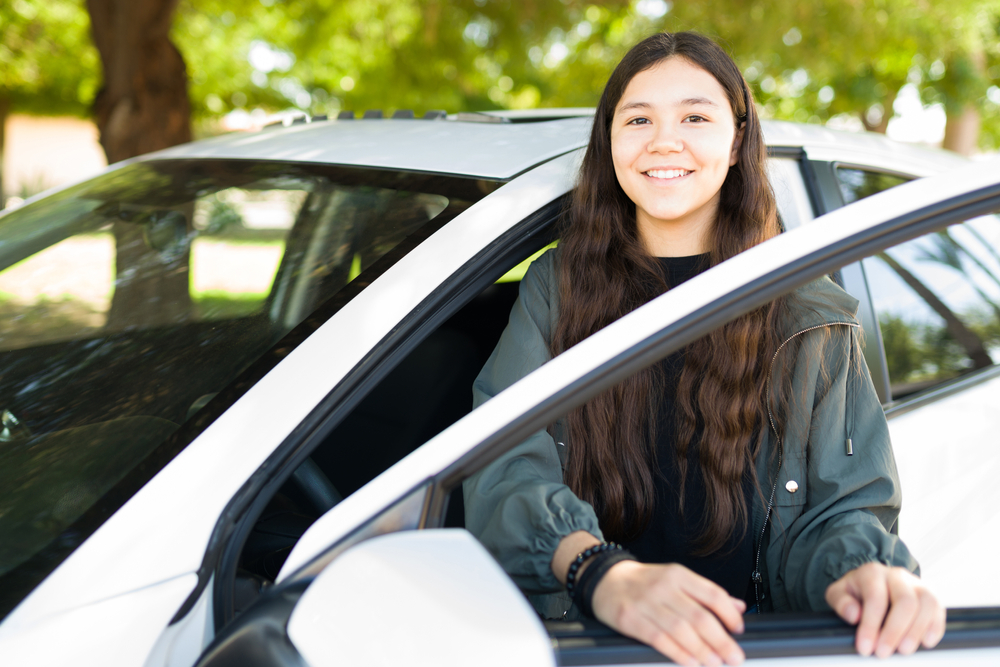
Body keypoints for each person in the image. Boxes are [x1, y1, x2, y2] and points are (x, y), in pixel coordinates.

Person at [463, 31, 945, 667]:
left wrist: (859, 572)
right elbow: (501, 465)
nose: (665, 141)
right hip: (584, 646)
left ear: (738, 138)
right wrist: (597, 569)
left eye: (695, 116)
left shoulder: (807, 308)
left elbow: (846, 508)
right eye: (639, 119)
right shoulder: (557, 288)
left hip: (751, 651)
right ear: (610, 140)